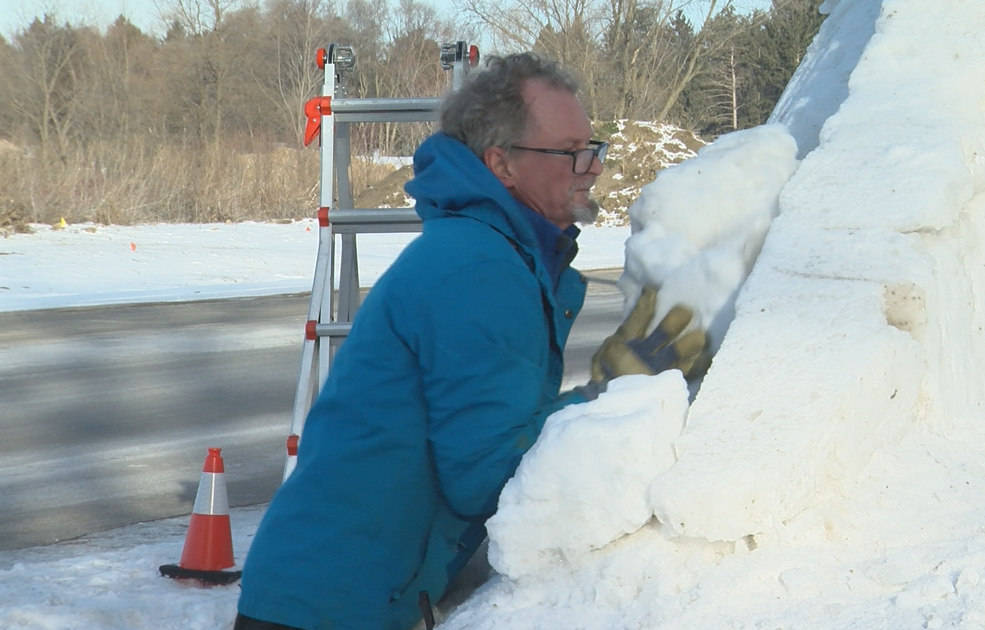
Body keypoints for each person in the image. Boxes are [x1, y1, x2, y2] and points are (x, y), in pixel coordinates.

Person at [235, 52, 702, 630]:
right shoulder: (480, 268)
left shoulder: (498, 255)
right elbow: (490, 470)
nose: (594, 167)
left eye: (594, 147)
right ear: (501, 163)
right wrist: (609, 394)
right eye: (570, 152)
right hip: (335, 606)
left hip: (342, 594)